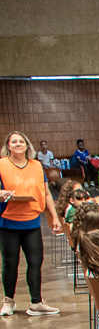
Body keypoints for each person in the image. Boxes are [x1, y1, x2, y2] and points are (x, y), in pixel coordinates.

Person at [0, 132, 60, 317]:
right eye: (14, 142)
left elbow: (47, 193)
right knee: (10, 263)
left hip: (32, 220)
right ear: (8, 146)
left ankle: (36, 302)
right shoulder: (1, 164)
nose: (18, 144)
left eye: (21, 141)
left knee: (35, 261)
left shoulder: (36, 166)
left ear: (27, 146)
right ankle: (8, 301)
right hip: (8, 220)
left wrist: (55, 217)